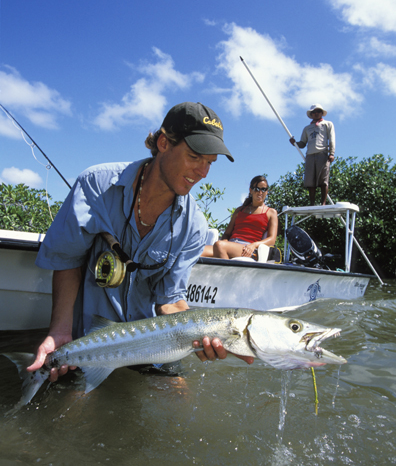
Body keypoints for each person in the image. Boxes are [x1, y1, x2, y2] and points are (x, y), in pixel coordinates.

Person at [28, 102, 255, 382]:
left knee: (179, 401)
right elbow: (67, 260)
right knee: (72, 410)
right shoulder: (95, 185)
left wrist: (205, 335)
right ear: (163, 143)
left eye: (210, 162)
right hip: (87, 339)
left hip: (153, 347)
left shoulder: (194, 226)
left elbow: (170, 300)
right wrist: (59, 331)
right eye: (195, 156)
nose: (203, 172)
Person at [202, 175, 278, 260]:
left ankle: (228, 273)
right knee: (196, 250)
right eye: (256, 189)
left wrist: (253, 245)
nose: (260, 192)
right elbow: (227, 234)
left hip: (248, 249)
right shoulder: (239, 210)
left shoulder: (271, 212)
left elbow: (272, 239)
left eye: (263, 189)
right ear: (250, 190)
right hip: (230, 245)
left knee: (219, 245)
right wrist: (225, 241)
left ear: (267, 191)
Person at [289, 104, 335, 206]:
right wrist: (294, 143)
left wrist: (332, 153)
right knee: (310, 181)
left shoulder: (328, 124)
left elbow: (332, 139)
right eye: (313, 112)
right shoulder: (307, 128)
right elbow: (302, 143)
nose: (316, 113)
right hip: (310, 155)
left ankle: (323, 203)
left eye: (318, 111)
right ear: (311, 114)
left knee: (323, 180)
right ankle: (312, 203)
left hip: (322, 154)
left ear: (322, 112)